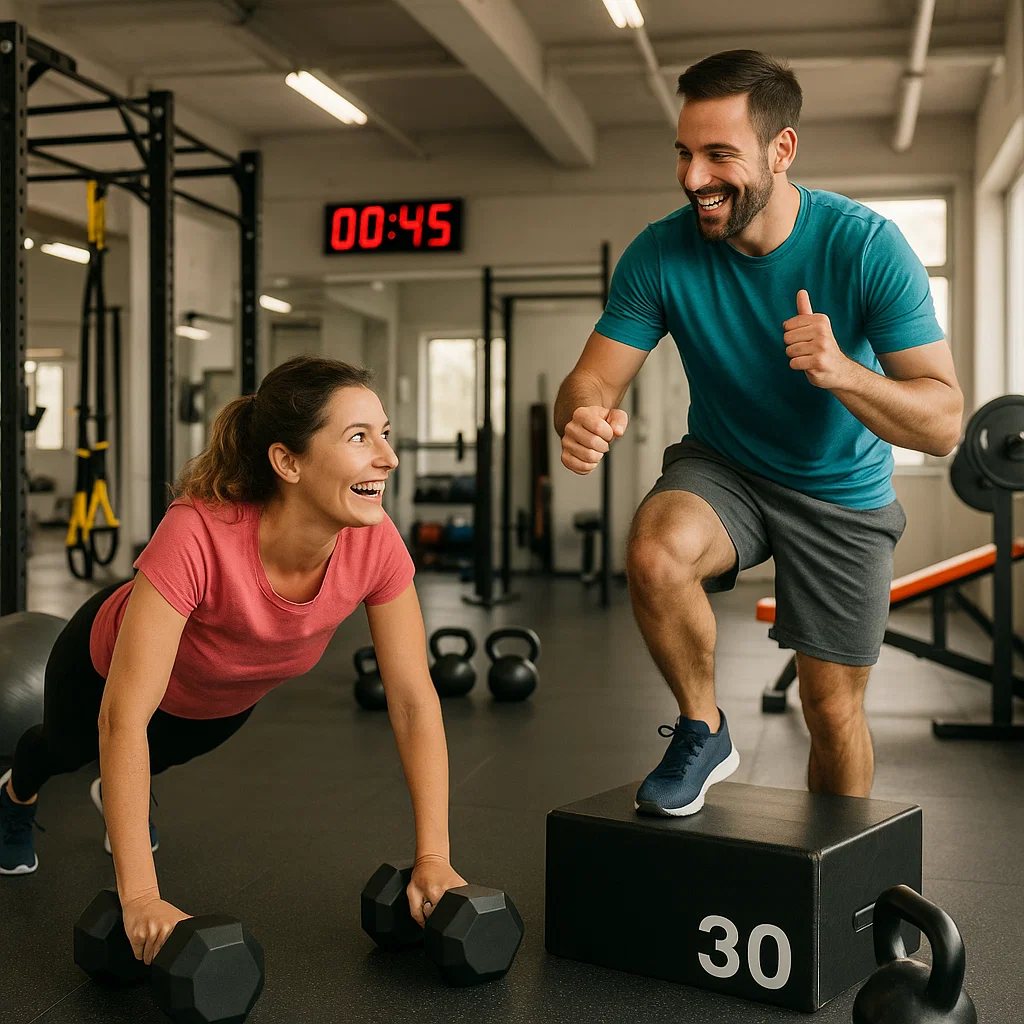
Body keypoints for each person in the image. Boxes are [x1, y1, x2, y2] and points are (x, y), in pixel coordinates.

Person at [555, 50, 963, 817]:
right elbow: (593, 379)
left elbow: (943, 420)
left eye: (718, 155)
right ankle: (702, 728)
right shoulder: (661, 252)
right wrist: (581, 413)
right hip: (726, 468)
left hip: (841, 491)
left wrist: (844, 372)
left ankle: (845, 886)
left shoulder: (868, 247)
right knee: (654, 549)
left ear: (782, 150)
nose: (692, 177)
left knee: (831, 710)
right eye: (683, 152)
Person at [0, 355, 465, 963]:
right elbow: (122, 718)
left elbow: (412, 701)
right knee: (65, 748)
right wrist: (139, 895)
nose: (388, 457)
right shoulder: (198, 533)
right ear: (288, 461)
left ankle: (120, 798)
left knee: (150, 762)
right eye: (359, 437)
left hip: (220, 700)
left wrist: (435, 861)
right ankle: (15, 796)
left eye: (385, 434)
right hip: (103, 669)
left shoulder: (374, 540)